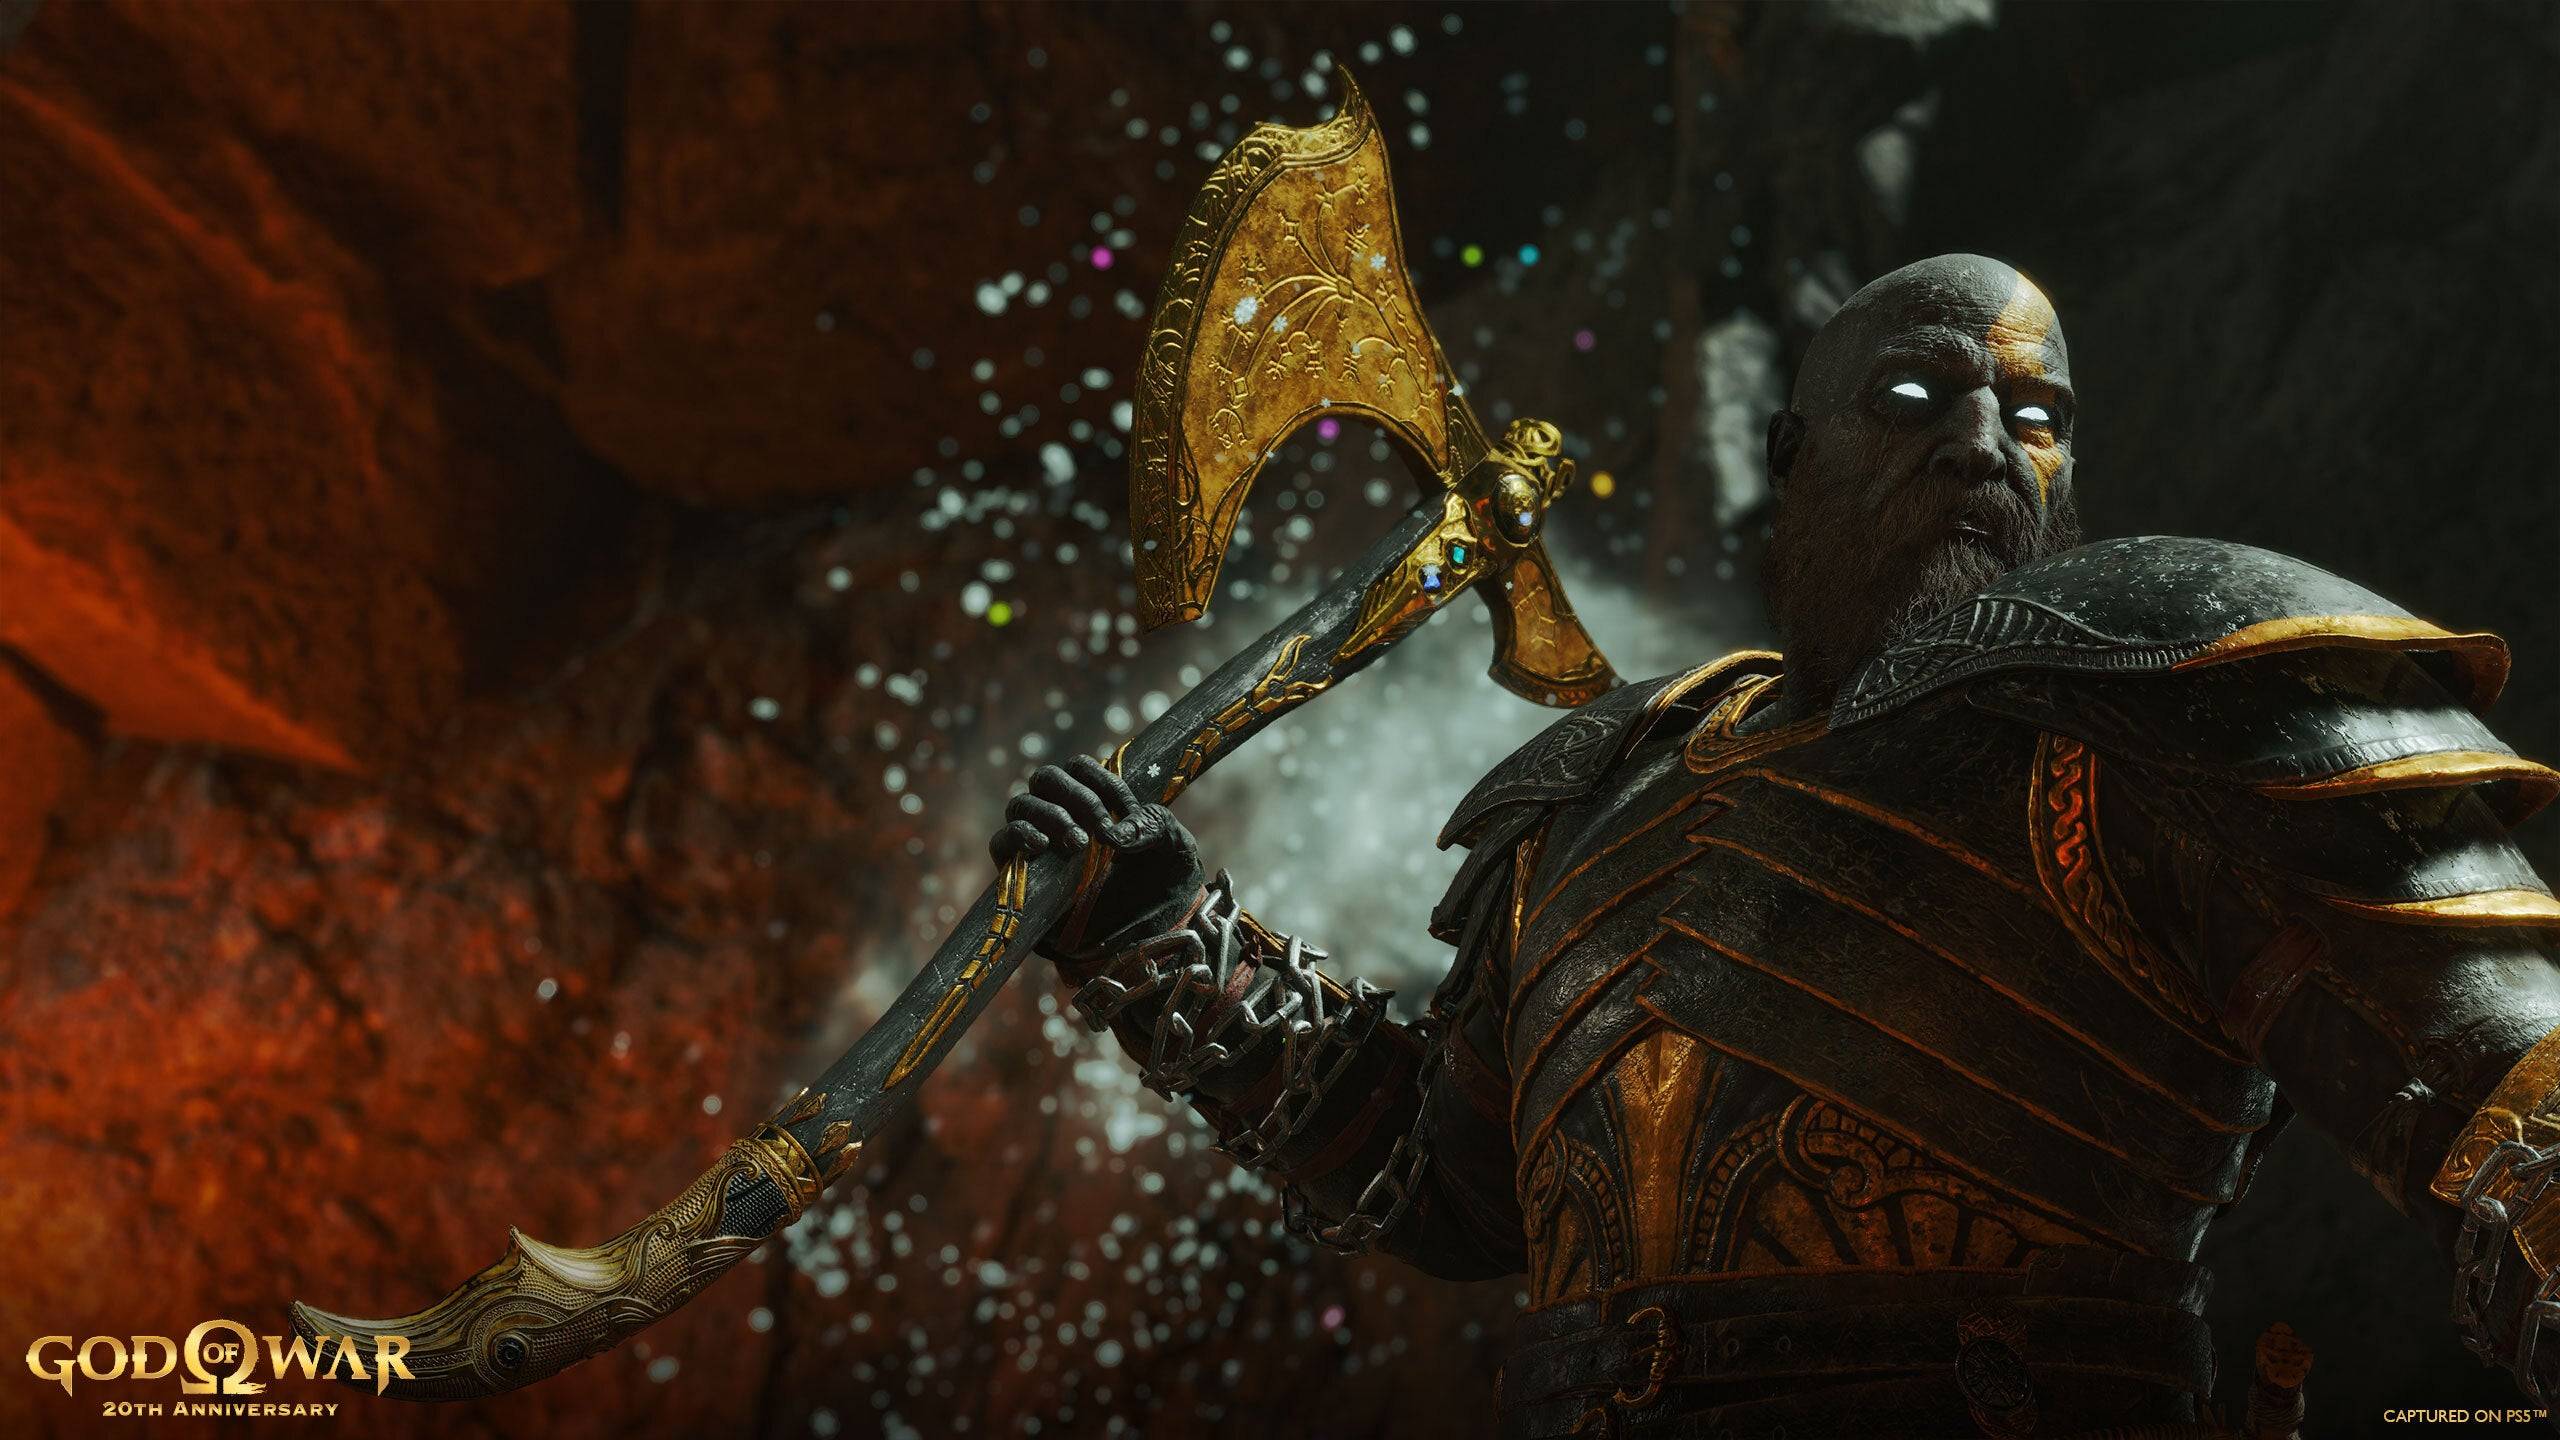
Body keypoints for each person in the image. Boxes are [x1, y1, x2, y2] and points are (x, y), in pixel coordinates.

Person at [990, 254, 2560, 1437]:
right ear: (1788, 452)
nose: (1986, 445)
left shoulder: (2168, 692)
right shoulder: (1598, 787)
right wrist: (1159, 937)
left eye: (2037, 418)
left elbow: (2521, 1110)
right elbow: (1451, 1188)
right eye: (1915, 401)